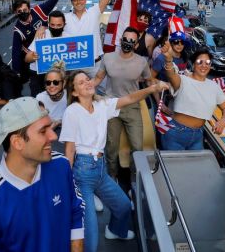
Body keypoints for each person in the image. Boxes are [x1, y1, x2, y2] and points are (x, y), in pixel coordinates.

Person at [61, 70, 168, 252]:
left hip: (100, 170)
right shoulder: (72, 112)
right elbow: (69, 149)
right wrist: (67, 182)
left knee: (124, 206)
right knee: (91, 238)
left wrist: (152, 89)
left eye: (88, 79)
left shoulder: (102, 104)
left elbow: (130, 98)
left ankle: (115, 230)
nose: (87, 83)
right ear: (74, 92)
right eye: (81, 83)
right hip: (82, 172)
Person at [0, 97, 84, 252]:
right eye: (43, 131)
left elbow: (75, 210)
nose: (53, 136)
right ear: (17, 142)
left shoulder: (61, 165)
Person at [92, 27, 153, 180]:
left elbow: (150, 81)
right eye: (125, 39)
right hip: (111, 106)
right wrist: (81, 88)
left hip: (132, 107)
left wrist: (160, 102)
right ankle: (113, 178)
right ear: (120, 40)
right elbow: (98, 79)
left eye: (132, 41)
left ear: (137, 44)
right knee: (111, 148)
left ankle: (135, 180)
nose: (128, 43)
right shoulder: (108, 58)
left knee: (137, 147)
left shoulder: (141, 62)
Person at [160, 47, 225, 150]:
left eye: (207, 62)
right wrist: (168, 59)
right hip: (175, 133)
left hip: (198, 135)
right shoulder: (182, 80)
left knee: (196, 166)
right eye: (199, 62)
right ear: (193, 65)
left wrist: (223, 120)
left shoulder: (214, 87)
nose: (204, 65)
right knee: (174, 166)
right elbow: (171, 75)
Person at [12, 0, 66, 95]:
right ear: (16, 13)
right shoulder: (18, 30)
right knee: (38, 94)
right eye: (19, 11)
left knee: (58, 89)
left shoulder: (39, 11)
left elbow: (53, 0)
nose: (22, 12)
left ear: (29, 9)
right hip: (35, 63)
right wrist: (16, 73)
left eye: (25, 10)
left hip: (52, 56)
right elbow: (15, 53)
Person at [64, 0, 125, 77]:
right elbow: (53, 28)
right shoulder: (65, 18)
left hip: (95, 65)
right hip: (74, 66)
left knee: (102, 92)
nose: (78, 2)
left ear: (85, 0)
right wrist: (42, 28)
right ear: (71, 2)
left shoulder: (94, 12)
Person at [25, 10, 68, 95]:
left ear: (64, 25)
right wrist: (32, 56)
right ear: (48, 24)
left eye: (59, 25)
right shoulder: (42, 35)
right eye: (52, 25)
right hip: (39, 74)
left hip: (59, 75)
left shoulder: (69, 38)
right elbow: (27, 58)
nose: (55, 27)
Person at [36, 61, 68, 128]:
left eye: (56, 82)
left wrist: (59, 122)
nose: (51, 85)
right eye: (48, 82)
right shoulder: (40, 98)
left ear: (63, 83)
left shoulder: (69, 96)